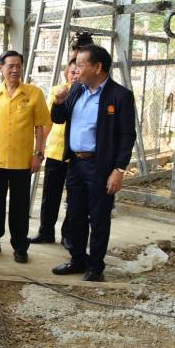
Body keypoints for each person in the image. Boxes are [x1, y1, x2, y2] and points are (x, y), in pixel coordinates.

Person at [51, 45, 136, 282]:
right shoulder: (76, 90)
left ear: (98, 67)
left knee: (98, 218)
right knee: (75, 215)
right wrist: (58, 102)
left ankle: (96, 266)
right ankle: (77, 259)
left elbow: (127, 136)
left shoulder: (119, 95)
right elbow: (58, 119)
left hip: (100, 166)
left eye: (81, 65)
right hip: (75, 164)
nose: (75, 70)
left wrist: (118, 169)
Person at [0, 50, 49, 263]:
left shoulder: (34, 93)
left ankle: (20, 246)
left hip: (22, 161)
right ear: (1, 68)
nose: (15, 70)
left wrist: (38, 154)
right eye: (10, 66)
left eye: (18, 65)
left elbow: (39, 126)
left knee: (19, 206)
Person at [29, 58, 81, 246]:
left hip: (74, 155)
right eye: (72, 72)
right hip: (55, 152)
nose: (75, 76)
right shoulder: (57, 91)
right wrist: (40, 148)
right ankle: (46, 231)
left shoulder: (86, 92)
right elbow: (47, 122)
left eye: (78, 72)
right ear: (66, 73)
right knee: (50, 195)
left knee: (73, 198)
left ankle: (68, 235)